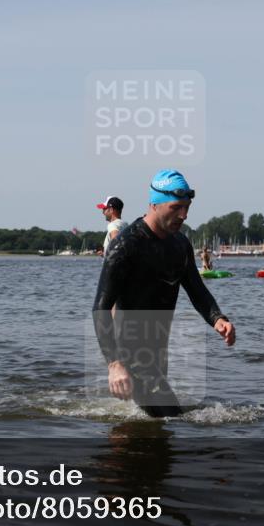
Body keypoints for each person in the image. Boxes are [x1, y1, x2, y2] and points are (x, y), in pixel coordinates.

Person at [93, 170, 236, 417]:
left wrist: (217, 318)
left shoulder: (180, 245)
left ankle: (121, 448)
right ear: (154, 204)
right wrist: (114, 365)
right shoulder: (126, 246)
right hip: (129, 350)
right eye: (176, 207)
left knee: (150, 424)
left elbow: (196, 288)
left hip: (158, 349)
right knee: (171, 415)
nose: (184, 215)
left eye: (187, 207)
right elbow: (101, 308)